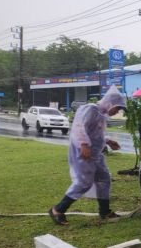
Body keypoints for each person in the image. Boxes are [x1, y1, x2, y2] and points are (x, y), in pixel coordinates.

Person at [48, 88, 126, 225]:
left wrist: (107, 140)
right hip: (84, 153)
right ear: (110, 103)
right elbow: (79, 127)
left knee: (104, 179)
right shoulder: (90, 109)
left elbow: (95, 133)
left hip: (96, 154)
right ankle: (58, 210)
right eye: (117, 108)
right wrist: (84, 144)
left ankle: (105, 211)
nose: (117, 112)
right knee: (83, 182)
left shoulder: (101, 114)